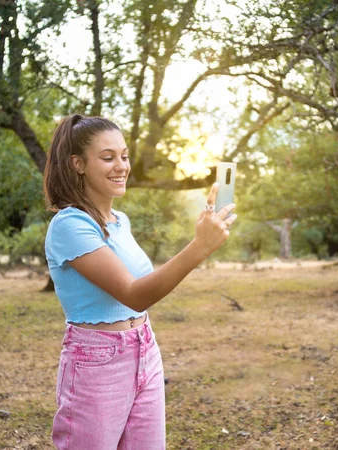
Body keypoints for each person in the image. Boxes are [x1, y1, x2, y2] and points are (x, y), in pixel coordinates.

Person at [43, 114, 237, 450]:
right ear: (78, 164)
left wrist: (200, 238)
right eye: (107, 158)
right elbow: (134, 294)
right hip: (96, 361)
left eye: (124, 156)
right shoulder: (69, 225)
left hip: (144, 349)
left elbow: (147, 283)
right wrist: (199, 247)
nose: (121, 166)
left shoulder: (121, 222)